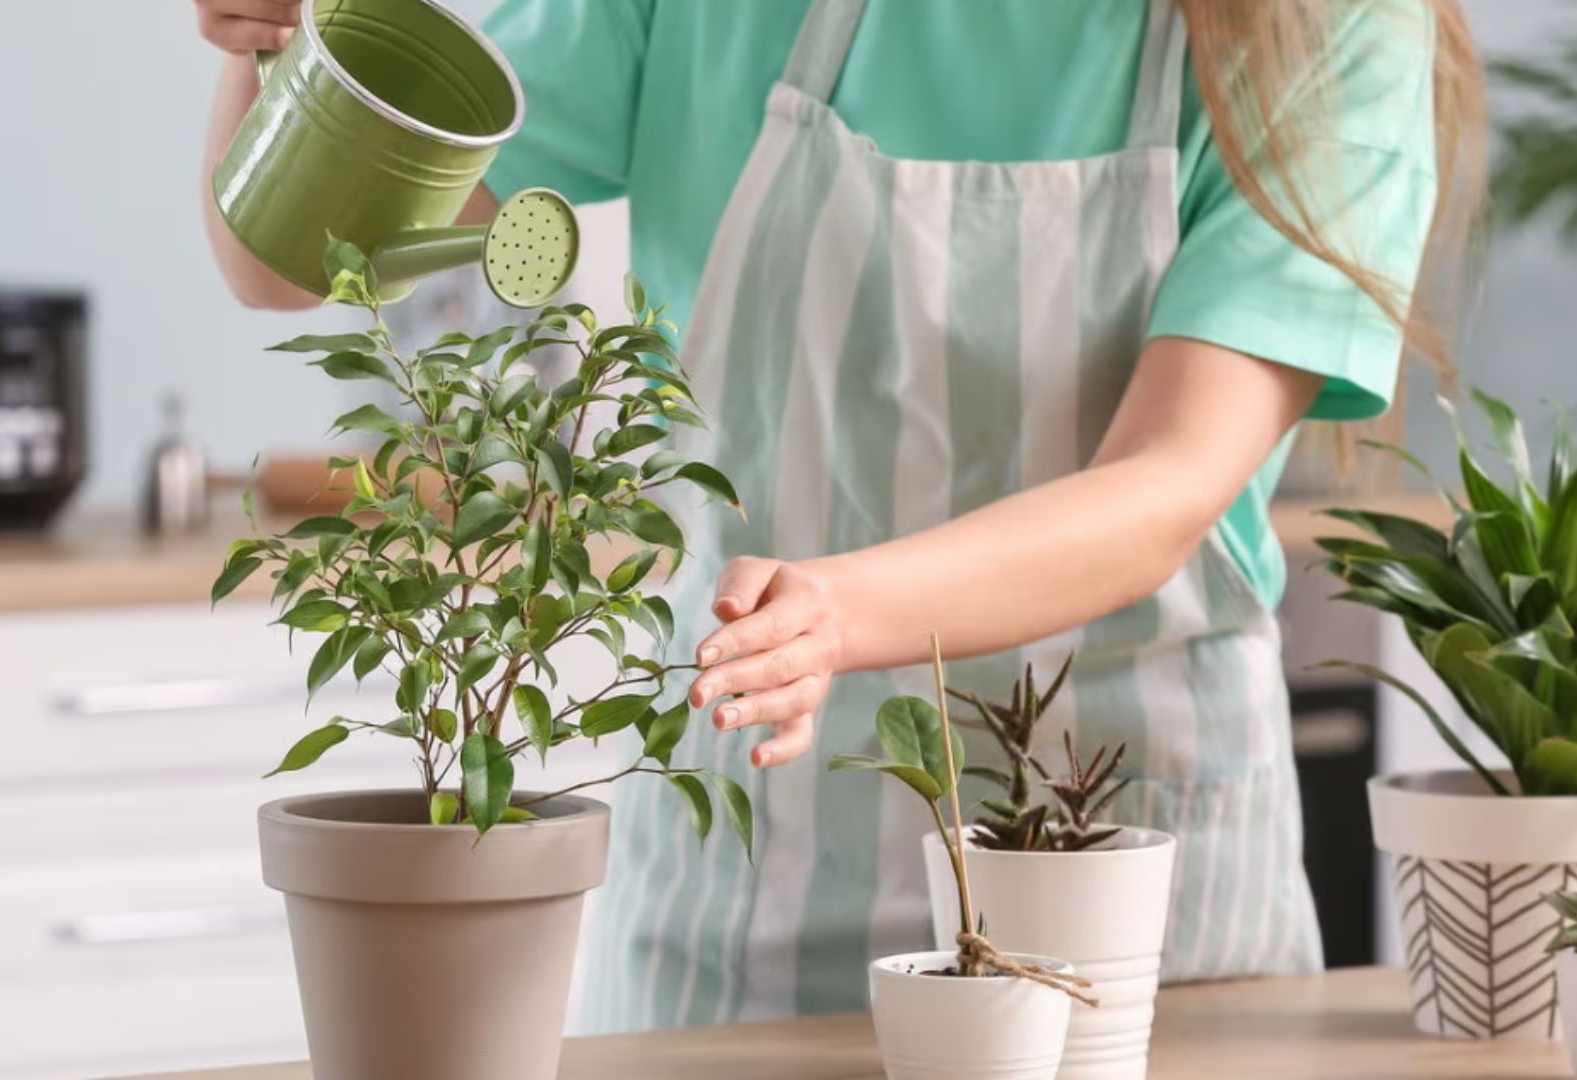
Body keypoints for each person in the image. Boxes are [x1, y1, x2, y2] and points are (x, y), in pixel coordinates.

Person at [192, 0, 1483, 1033]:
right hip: (744, 893)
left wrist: (839, 612)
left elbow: (1167, 481)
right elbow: (293, 258)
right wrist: (272, 47)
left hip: (1131, 911)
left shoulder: (1328, 25)